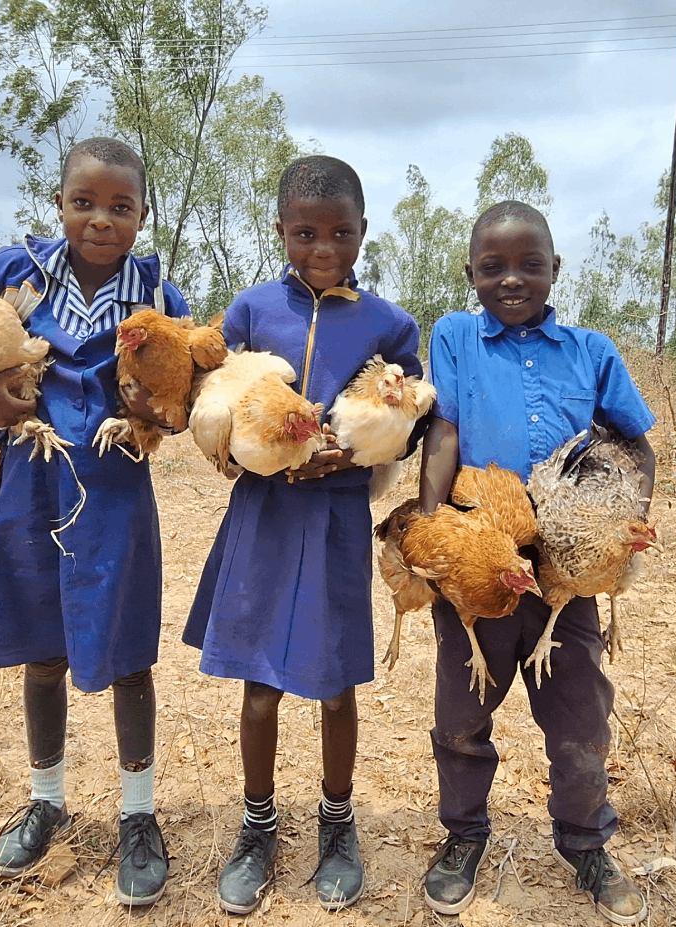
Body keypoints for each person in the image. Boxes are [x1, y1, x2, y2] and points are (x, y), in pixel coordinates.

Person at [0, 137, 187, 906]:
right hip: (30, 482)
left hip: (116, 487)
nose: (101, 220)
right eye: (85, 203)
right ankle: (47, 799)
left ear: (142, 214)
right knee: (40, 642)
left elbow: (183, 392)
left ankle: (138, 815)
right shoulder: (16, 276)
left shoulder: (156, 293)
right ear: (58, 204)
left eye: (119, 207)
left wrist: (157, 413)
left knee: (128, 646)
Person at [183, 155, 423, 914]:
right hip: (262, 515)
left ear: (362, 231)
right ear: (282, 230)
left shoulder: (389, 323)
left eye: (341, 232)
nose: (324, 248)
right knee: (259, 684)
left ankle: (337, 820)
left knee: (332, 683)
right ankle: (257, 824)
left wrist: (351, 450)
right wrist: (233, 449)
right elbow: (213, 393)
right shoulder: (252, 309)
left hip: (333, 519)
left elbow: (409, 416)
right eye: (306, 232)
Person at [418, 200, 656, 924]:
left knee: (580, 715)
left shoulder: (591, 351)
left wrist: (617, 527)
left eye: (530, 264)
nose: (512, 279)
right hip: (480, 564)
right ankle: (463, 835)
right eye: (493, 267)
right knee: (461, 713)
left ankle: (585, 841)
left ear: (557, 270)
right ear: (471, 274)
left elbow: (636, 444)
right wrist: (432, 530)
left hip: (561, 578)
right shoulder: (457, 336)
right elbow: (445, 432)